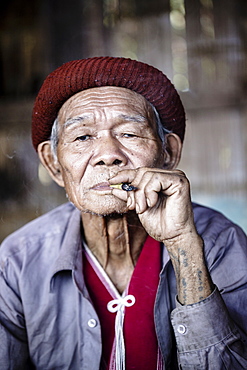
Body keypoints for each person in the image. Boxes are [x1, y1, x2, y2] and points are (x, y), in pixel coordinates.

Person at [0, 57, 247, 370]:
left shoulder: (220, 243)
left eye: (129, 134)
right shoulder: (18, 261)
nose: (108, 156)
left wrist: (183, 244)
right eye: (82, 137)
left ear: (167, 153)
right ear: (53, 164)